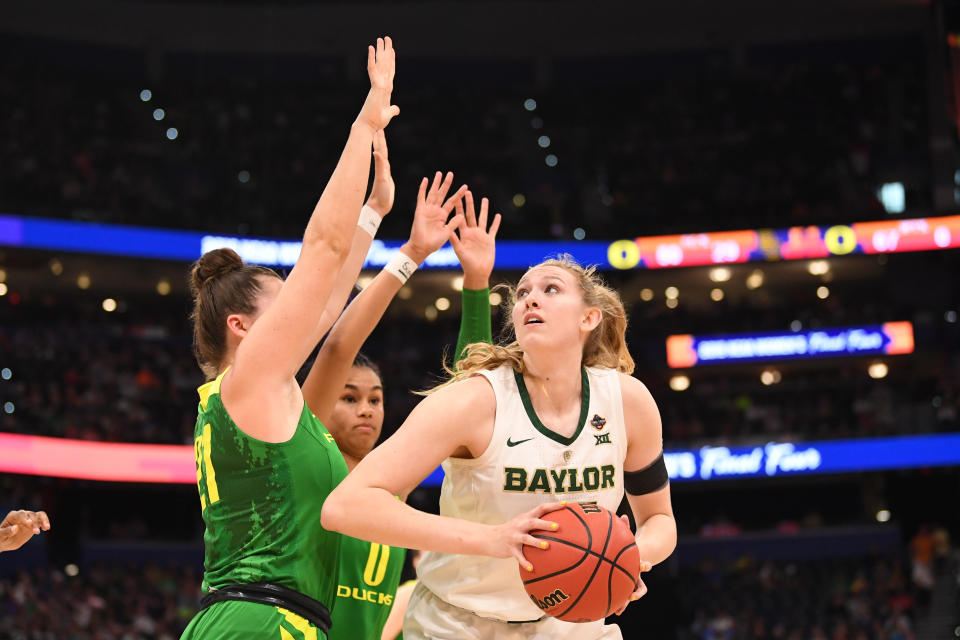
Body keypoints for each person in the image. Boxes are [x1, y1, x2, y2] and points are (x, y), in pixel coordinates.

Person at [322, 255, 677, 639]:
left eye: (550, 289)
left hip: (573, 626)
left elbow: (660, 520)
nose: (530, 300)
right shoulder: (474, 401)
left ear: (589, 318)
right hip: (459, 624)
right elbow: (345, 507)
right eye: (522, 293)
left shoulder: (628, 401)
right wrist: (493, 539)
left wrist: (628, 558)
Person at [179, 37, 403, 640]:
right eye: (283, 308)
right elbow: (322, 253)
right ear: (242, 327)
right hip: (259, 619)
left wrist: (374, 213)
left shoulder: (264, 398)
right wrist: (366, 120)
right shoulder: (249, 383)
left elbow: (330, 295)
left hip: (268, 619)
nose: (299, 315)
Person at [301, 166, 500, 640]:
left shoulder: (392, 482)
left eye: (374, 398)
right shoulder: (306, 461)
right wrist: (410, 253)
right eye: (349, 398)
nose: (366, 409)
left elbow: (468, 393)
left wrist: (476, 284)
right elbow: (335, 350)